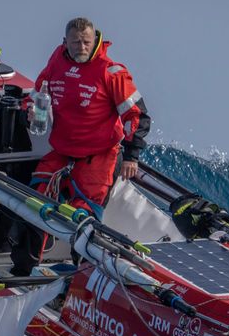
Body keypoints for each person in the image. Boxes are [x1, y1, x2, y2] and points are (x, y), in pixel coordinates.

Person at [10, 17, 151, 275]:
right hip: (63, 151)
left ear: (95, 39)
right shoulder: (57, 61)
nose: (82, 47)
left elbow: (138, 116)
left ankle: (83, 277)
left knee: (82, 218)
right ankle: (23, 271)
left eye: (87, 41)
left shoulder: (111, 72)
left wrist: (132, 156)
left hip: (99, 157)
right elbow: (39, 91)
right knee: (33, 200)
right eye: (76, 42)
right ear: (65, 43)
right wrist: (29, 110)